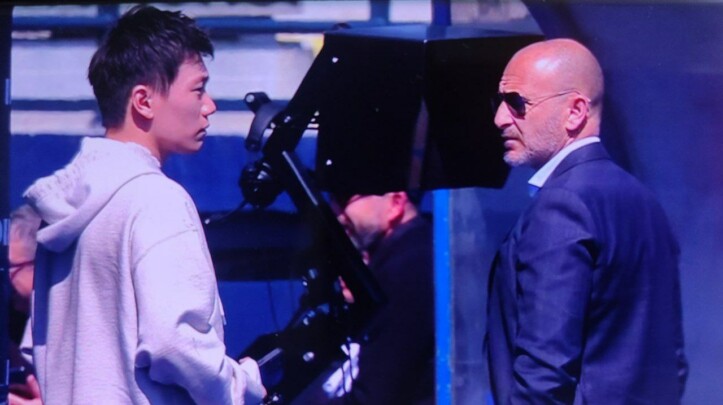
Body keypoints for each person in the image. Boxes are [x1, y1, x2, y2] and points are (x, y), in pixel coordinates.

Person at [21, 5, 265, 404]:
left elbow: (39, 346)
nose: (210, 105)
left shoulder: (61, 214)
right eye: (198, 89)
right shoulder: (157, 200)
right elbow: (175, 345)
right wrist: (242, 385)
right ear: (144, 101)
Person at [485, 38, 688, 404]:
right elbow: (672, 361)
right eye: (498, 102)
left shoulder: (561, 205)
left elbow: (545, 372)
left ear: (575, 111)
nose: (500, 118)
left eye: (516, 103)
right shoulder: (644, 201)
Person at [326, 191, 434, 405]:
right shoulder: (415, 254)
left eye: (345, 199)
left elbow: (374, 396)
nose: (337, 213)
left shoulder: (407, 268)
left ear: (396, 203)